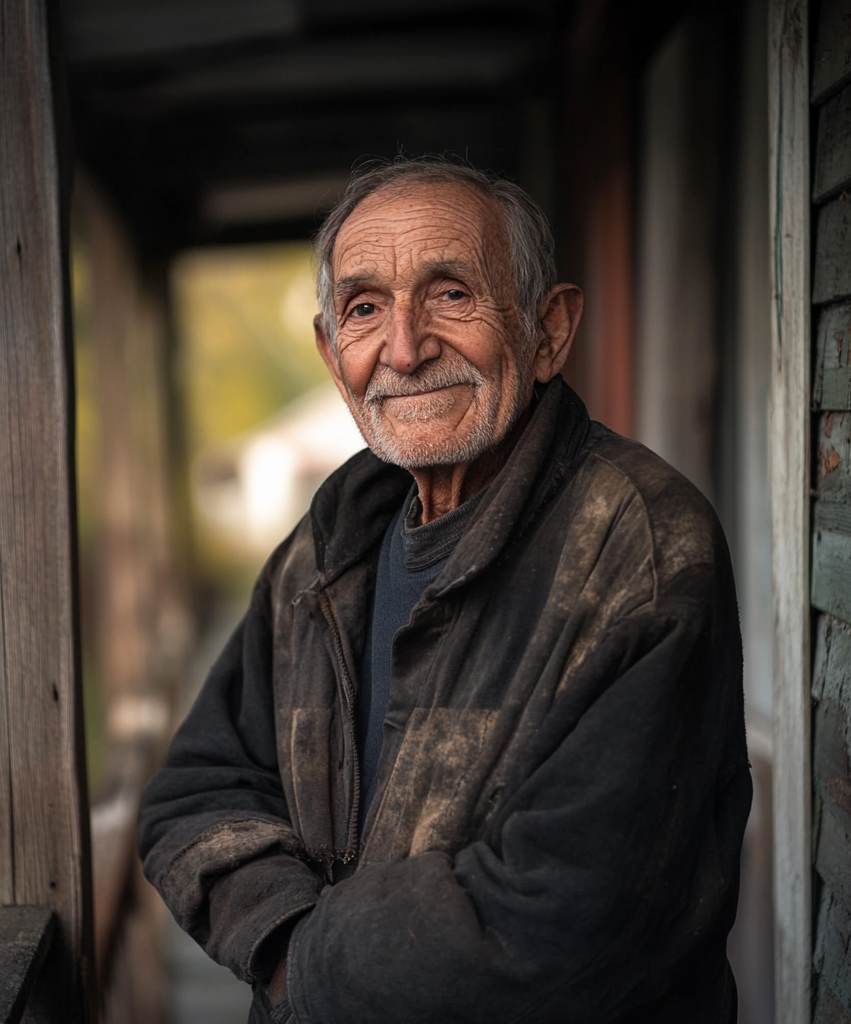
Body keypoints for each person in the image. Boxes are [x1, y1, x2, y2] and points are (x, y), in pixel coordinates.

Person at [138, 158, 751, 1024]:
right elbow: (193, 795)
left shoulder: (640, 549)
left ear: (548, 332)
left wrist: (311, 970)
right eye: (364, 309)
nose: (403, 347)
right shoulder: (323, 551)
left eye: (451, 294)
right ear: (330, 351)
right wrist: (282, 944)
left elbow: (556, 921)